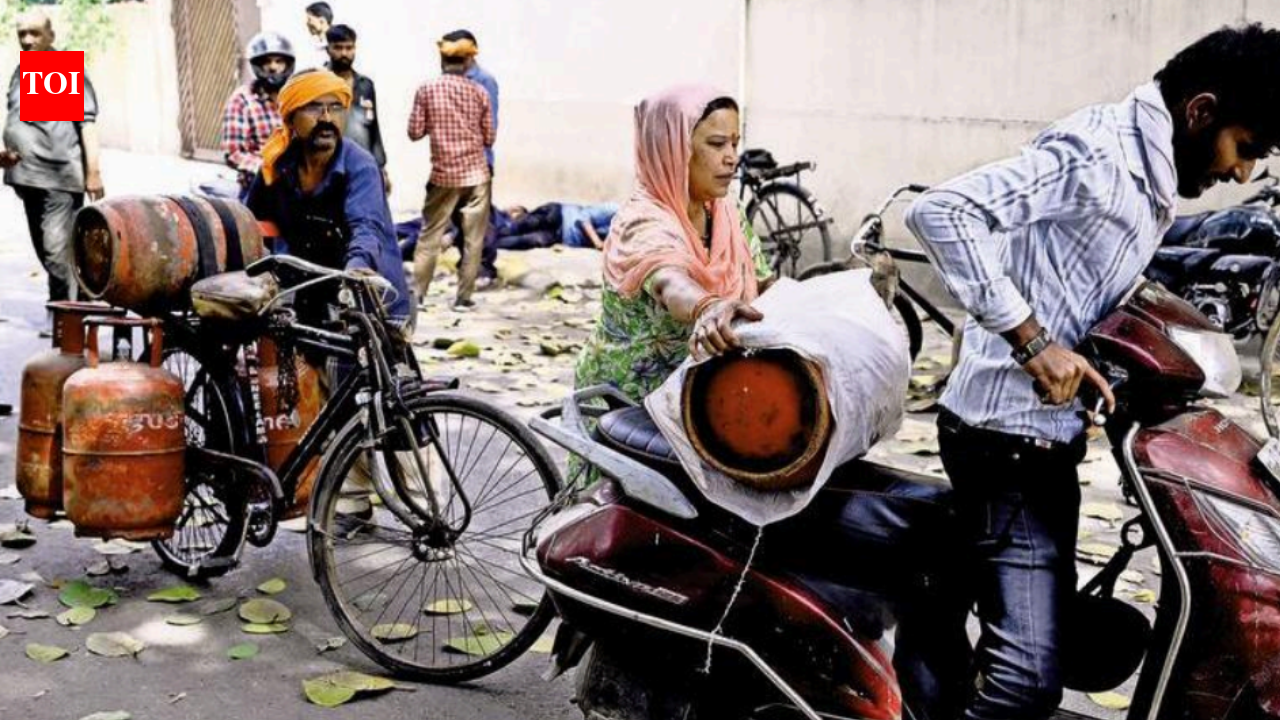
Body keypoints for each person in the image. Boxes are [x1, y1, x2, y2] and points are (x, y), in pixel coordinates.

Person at [905, 23, 1280, 720]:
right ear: (1200, 112)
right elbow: (943, 213)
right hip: (1005, 437)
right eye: (1246, 148)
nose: (1241, 174)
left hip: (1048, 439)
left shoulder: (1149, 171)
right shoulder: (1099, 154)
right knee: (1024, 684)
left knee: (1035, 633)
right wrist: (1033, 343)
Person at [574, 86, 772, 402]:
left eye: (735, 143)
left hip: (706, 390)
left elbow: (764, 284)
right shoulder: (642, 222)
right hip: (629, 401)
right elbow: (670, 282)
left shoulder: (726, 211)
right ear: (672, 149)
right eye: (716, 144)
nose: (732, 158)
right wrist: (708, 306)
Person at [244, 70, 410, 325]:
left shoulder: (361, 166)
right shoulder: (276, 165)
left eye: (336, 108)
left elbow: (366, 228)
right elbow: (251, 222)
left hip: (369, 296)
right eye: (313, 107)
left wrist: (357, 265)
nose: (326, 118)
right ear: (290, 117)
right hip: (308, 292)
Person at [2, 9, 101, 313]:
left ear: (51, 36)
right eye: (22, 34)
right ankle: (76, 306)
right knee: (47, 251)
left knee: (57, 251)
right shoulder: (23, 71)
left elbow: (86, 125)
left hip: (57, 179)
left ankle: (65, 316)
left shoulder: (60, 69)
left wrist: (94, 173)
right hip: (27, 177)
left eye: (35, 33)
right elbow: (26, 124)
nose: (27, 40)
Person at [407, 33, 495, 311]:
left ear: (442, 59)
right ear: (468, 61)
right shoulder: (480, 91)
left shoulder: (427, 89)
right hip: (477, 175)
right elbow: (489, 137)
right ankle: (463, 298)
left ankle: (418, 296)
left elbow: (414, 132)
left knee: (429, 235)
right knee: (473, 240)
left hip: (443, 175)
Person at [220, 32, 294, 189]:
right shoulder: (242, 100)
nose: (273, 67)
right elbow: (234, 153)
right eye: (267, 61)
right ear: (257, 65)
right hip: (259, 184)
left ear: (288, 64)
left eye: (279, 61)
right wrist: (269, 170)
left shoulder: (297, 96)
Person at [324, 24, 389, 193]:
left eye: (349, 48)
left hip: (362, 166)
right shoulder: (319, 83)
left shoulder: (365, 85)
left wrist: (381, 167)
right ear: (328, 49)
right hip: (328, 167)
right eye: (338, 48)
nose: (344, 53)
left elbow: (373, 128)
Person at [495, 202, 619, 250]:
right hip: (560, 215)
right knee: (526, 225)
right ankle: (493, 227)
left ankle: (490, 244)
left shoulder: (625, 241)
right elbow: (583, 218)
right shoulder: (616, 210)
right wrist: (597, 241)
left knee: (532, 240)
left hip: (562, 237)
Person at [302, 2, 333, 70]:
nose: (307, 23)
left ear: (322, 21)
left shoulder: (337, 43)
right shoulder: (316, 46)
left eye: (309, 19)